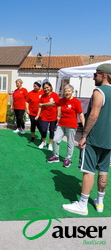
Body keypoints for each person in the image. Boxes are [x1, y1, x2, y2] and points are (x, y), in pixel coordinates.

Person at [62, 63, 111, 216]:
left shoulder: (99, 91)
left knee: (88, 170)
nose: (93, 76)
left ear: (104, 75)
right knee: (103, 170)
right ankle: (100, 202)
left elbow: (94, 115)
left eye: (96, 74)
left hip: (95, 138)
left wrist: (83, 136)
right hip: (109, 139)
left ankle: (83, 204)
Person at [46, 84, 85, 167]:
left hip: (71, 125)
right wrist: (43, 104)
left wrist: (85, 127)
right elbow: (53, 103)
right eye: (65, 91)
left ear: (72, 92)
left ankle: (68, 159)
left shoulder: (76, 102)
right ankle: (56, 156)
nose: (67, 92)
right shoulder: (62, 100)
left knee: (70, 143)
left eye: (69, 91)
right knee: (56, 139)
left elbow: (81, 114)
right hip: (61, 124)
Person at [36, 82, 59, 151]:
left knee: (52, 130)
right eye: (45, 88)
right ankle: (43, 142)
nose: (46, 89)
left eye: (47, 87)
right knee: (43, 130)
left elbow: (54, 103)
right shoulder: (42, 96)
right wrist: (37, 115)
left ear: (51, 87)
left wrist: (43, 104)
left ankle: (50, 144)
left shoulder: (55, 95)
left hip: (53, 116)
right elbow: (40, 106)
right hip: (44, 116)